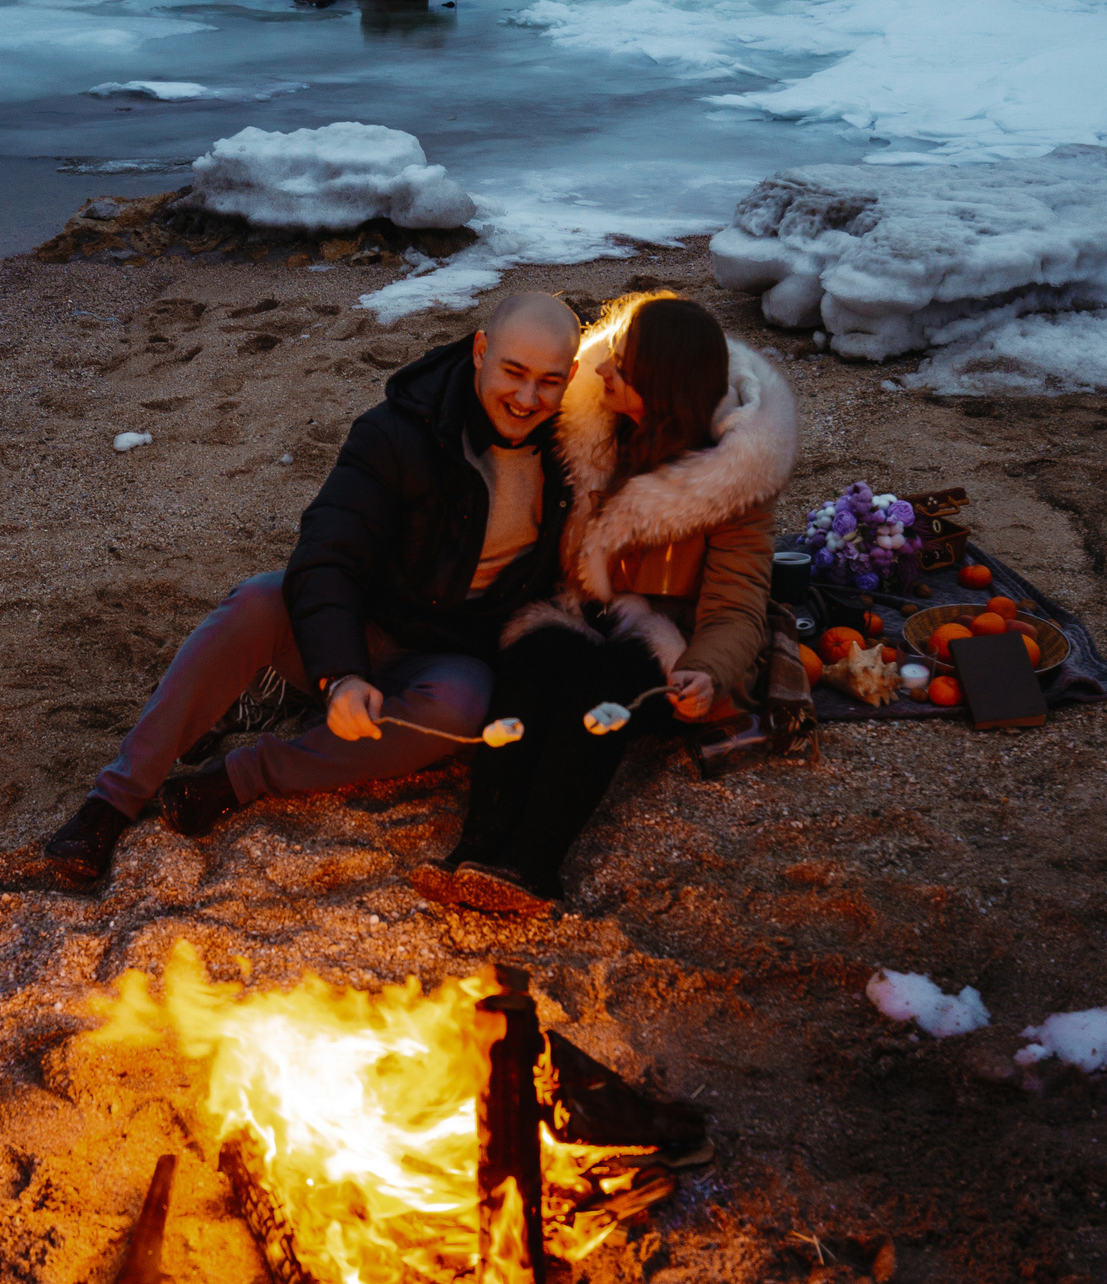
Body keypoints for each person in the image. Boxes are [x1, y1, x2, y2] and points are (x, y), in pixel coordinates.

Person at [41, 293, 583, 884]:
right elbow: (328, 554)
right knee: (256, 600)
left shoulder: (579, 454)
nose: (528, 398)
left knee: (464, 705)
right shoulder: (398, 432)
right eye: (514, 372)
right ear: (481, 351)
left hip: (443, 653)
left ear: (572, 378)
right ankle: (113, 802)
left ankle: (240, 776)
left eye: (549, 382)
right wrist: (341, 673)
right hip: (353, 625)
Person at [410, 292, 798, 917]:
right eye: (611, 354)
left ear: (662, 390)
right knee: (533, 658)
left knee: (597, 682)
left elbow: (738, 603)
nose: (601, 372)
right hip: (581, 608)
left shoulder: (736, 480)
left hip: (673, 642)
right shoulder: (590, 431)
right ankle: (475, 849)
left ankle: (532, 866)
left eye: (622, 368)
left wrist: (707, 668)